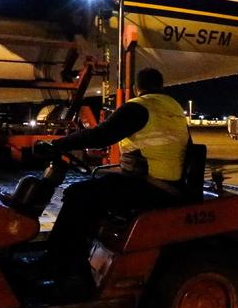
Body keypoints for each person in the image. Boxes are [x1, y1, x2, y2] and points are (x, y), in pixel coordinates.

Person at [44, 67, 189, 270]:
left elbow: (102, 135)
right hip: (166, 181)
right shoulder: (172, 107)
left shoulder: (140, 107)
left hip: (150, 185)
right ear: (161, 85)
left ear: (138, 87)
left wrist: (60, 143)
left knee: (77, 195)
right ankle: (81, 252)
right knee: (99, 185)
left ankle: (61, 262)